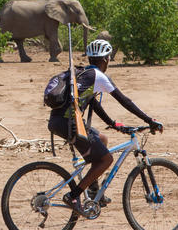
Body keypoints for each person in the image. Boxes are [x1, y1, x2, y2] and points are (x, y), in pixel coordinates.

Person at [47, 39, 163, 216]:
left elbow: (93, 103)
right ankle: (73, 196)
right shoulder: (99, 76)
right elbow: (124, 100)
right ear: (106, 59)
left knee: (102, 139)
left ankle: (94, 191)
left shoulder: (83, 73)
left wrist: (112, 124)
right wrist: (149, 120)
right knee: (106, 160)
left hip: (59, 121)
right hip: (68, 124)